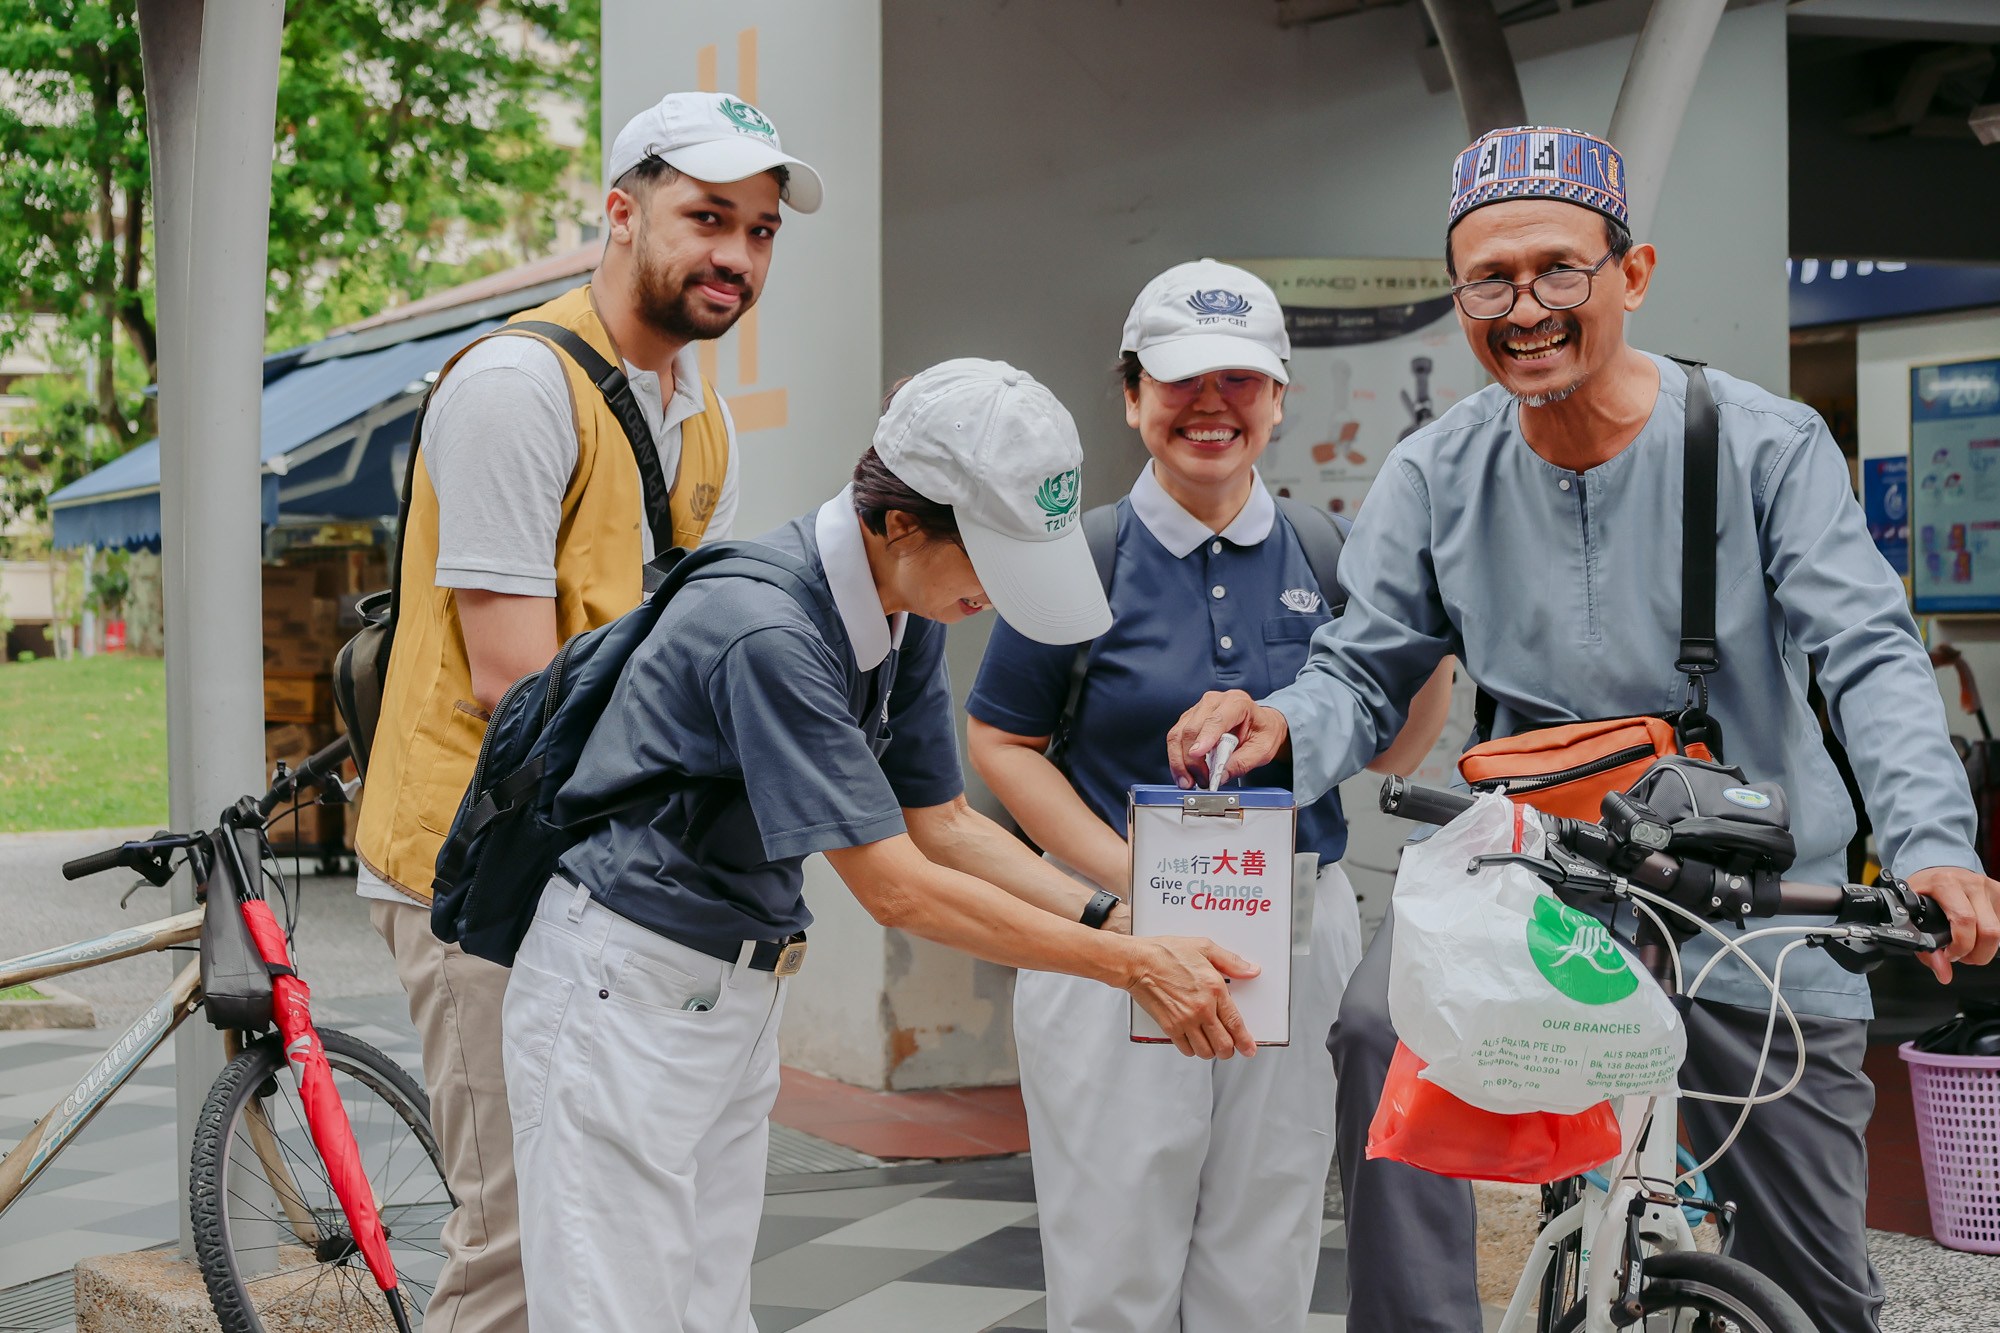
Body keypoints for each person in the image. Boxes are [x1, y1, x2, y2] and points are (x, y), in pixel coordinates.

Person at [1167, 125, 2000, 1333]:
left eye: (1558, 269)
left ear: (1631, 273)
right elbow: (1358, 669)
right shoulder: (1434, 471)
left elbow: (1867, 653)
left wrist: (1932, 846)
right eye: (1489, 281)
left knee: (1811, 1287)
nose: (1525, 308)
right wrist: (1277, 727)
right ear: (1458, 296)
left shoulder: (1763, 444)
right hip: (1535, 873)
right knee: (1377, 1028)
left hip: (1751, 892)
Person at [501, 358, 1264, 1333]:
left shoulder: (900, 610)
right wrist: (1129, 963)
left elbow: (941, 822)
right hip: (627, 988)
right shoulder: (766, 629)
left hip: (730, 986)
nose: (997, 595)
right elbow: (897, 888)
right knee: (614, 1312)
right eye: (991, 561)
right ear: (899, 523)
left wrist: (1120, 915)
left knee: (706, 1308)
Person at [353, 90, 822, 1332]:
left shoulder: (696, 412)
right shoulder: (517, 386)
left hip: (587, 859)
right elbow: (513, 676)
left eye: (760, 230)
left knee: (612, 1229)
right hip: (471, 862)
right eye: (706, 217)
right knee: (515, 1242)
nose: (737, 254)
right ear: (620, 213)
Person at [966, 259, 1452, 1333]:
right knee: (1114, 1244)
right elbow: (1000, 740)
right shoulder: (1081, 555)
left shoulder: (1328, 551)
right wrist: (1132, 882)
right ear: (1132, 394)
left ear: (1278, 398)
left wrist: (1433, 636)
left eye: (1238, 379)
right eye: (1179, 379)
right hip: (1113, 932)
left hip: (1295, 926)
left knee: (1266, 1235)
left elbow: (1389, 751)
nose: (1209, 405)